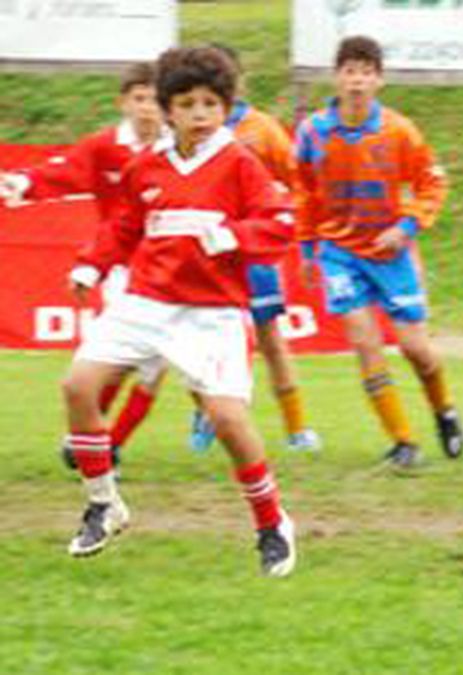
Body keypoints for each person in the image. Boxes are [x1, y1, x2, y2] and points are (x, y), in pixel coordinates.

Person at [61, 46, 297, 577]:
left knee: (229, 421)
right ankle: (104, 503)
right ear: (168, 109)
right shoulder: (149, 166)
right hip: (146, 302)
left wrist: (231, 235)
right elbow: (123, 228)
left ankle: (270, 522)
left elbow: (280, 226)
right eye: (187, 103)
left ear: (226, 107)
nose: (199, 113)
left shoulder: (240, 163)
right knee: (78, 385)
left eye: (210, 103)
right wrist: (90, 266)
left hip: (211, 313)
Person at [294, 35, 463, 468]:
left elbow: (432, 182)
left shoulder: (398, 131)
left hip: (390, 255)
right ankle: (403, 442)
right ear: (337, 78)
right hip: (338, 252)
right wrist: (308, 249)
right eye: (349, 71)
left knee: (415, 349)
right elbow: (305, 193)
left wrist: (405, 227)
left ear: (379, 80)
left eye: (366, 72)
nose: (357, 81)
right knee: (364, 341)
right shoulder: (313, 133)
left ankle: (444, 410)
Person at [0, 63, 171, 470]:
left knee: (153, 369)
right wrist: (19, 183)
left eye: (154, 100)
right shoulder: (105, 147)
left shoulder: (176, 148)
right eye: (139, 99)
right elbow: (62, 174)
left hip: (171, 272)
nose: (147, 109)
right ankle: (88, 438)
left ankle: (107, 444)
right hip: (122, 271)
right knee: (120, 362)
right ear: (124, 103)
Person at [184, 42, 321, 454]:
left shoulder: (261, 129)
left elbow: (299, 181)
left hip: (254, 255)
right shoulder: (188, 132)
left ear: (236, 82)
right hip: (205, 255)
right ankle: (206, 410)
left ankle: (297, 430)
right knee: (193, 347)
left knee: (270, 340)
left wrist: (279, 220)